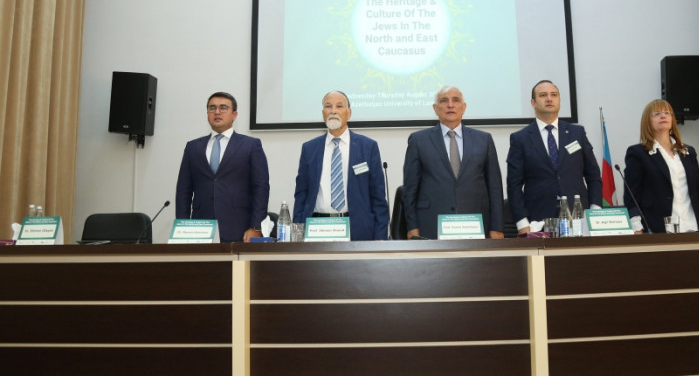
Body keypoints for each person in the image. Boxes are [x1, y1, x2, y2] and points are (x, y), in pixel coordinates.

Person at [402, 86, 504, 240]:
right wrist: (412, 227)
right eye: (444, 101)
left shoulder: (484, 140)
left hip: (475, 225)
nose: (450, 105)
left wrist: (497, 227)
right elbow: (410, 189)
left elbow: (495, 188)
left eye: (456, 100)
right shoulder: (418, 140)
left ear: (463, 107)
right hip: (430, 225)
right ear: (435, 108)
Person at [506, 80, 602, 234]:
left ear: (559, 100)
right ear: (533, 103)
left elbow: (593, 175)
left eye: (554, 95)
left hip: (579, 218)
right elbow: (514, 185)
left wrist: (595, 212)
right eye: (543, 95)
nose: (549, 99)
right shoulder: (520, 138)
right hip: (538, 220)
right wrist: (522, 223)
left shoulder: (577, 133)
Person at [293, 91, 389, 240]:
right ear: (323, 113)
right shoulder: (309, 149)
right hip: (317, 229)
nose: (333, 111)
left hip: (357, 230)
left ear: (349, 113)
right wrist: (297, 233)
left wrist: (380, 238)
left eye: (339, 106)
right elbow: (301, 195)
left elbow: (378, 198)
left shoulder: (368, 147)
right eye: (328, 106)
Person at [176, 92, 270, 242]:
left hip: (239, 227)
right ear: (207, 113)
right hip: (200, 228)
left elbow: (261, 187)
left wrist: (256, 227)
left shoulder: (251, 145)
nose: (217, 112)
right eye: (212, 108)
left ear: (234, 115)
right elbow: (183, 190)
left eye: (223, 108)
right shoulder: (192, 147)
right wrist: (182, 226)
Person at [623, 99, 699, 233]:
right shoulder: (638, 153)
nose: (663, 116)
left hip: (693, 225)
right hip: (658, 227)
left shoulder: (688, 151)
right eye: (657, 114)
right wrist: (636, 226)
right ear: (647, 121)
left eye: (667, 113)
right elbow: (632, 195)